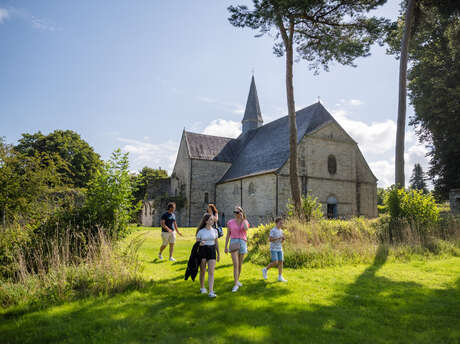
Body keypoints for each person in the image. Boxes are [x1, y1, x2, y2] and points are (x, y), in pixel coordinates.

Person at [225, 206, 249, 292]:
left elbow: (246, 229)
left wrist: (243, 219)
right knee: (235, 264)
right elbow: (228, 234)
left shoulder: (245, 221)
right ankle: (235, 285)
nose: (237, 213)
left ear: (241, 213)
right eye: (235, 212)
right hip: (234, 242)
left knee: (239, 265)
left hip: (243, 242)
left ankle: (237, 280)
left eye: (238, 212)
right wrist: (225, 246)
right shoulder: (230, 222)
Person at [196, 213, 220, 298]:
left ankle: (211, 291)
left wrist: (218, 254)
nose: (212, 221)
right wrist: (200, 243)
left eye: (212, 219)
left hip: (212, 250)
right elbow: (196, 244)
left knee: (211, 271)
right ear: (206, 221)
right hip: (203, 251)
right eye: (210, 219)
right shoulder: (200, 232)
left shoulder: (215, 231)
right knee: (202, 270)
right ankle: (202, 287)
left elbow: (216, 242)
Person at [262, 217, 287, 282]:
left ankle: (280, 277)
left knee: (281, 261)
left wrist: (283, 239)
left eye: (282, 223)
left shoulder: (281, 231)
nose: (281, 224)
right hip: (273, 248)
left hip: (280, 248)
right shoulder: (273, 230)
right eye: (280, 223)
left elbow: (281, 241)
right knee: (275, 262)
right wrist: (279, 238)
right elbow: (270, 239)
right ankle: (265, 269)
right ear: (276, 223)